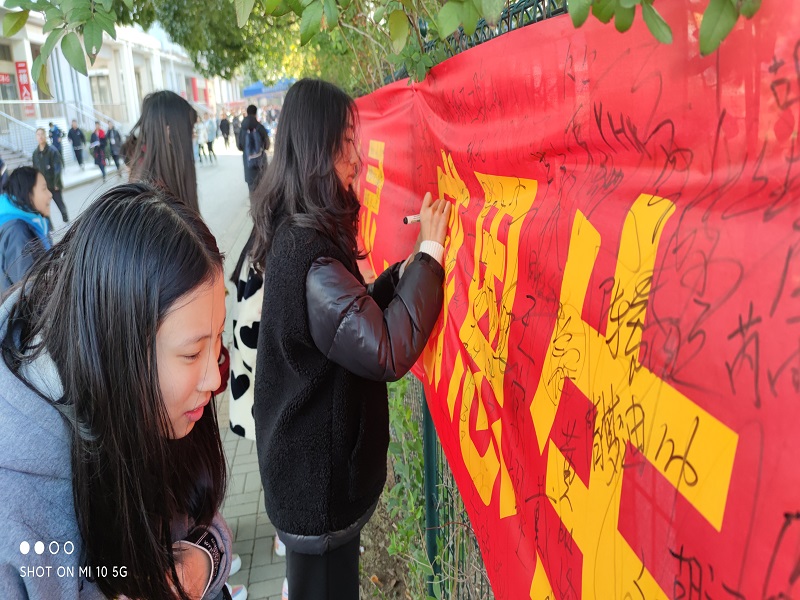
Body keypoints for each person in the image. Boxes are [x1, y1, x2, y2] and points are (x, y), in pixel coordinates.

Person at [250, 78, 450, 598]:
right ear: (316, 150)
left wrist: (405, 271)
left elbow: (350, 316)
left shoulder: (300, 234)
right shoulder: (311, 258)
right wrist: (431, 254)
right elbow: (388, 348)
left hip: (308, 476)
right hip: (315, 491)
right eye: (344, 144)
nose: (356, 160)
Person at [0, 182, 234, 599]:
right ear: (116, 349)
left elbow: (205, 517)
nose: (214, 379)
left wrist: (201, 562)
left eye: (217, 339)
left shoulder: (162, 404)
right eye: (192, 352)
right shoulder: (15, 512)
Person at [121, 90, 200, 213]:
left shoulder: (150, 175)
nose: (194, 135)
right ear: (168, 131)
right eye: (190, 129)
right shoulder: (155, 200)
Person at [0, 166, 52, 293]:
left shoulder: (33, 221)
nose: (50, 195)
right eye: (44, 189)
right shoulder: (16, 232)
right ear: (28, 194)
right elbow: (32, 292)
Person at [32, 127, 68, 223]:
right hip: (43, 187)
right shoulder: (35, 154)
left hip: (53, 185)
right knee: (44, 208)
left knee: (60, 205)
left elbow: (57, 168)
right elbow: (35, 170)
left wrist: (56, 183)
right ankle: (50, 228)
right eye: (38, 135)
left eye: (42, 134)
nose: (40, 136)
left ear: (46, 136)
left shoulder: (52, 151)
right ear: (36, 137)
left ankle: (67, 222)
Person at [237, 104, 269, 194]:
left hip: (249, 165)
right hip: (261, 165)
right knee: (264, 192)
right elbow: (267, 145)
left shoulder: (242, 129)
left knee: (252, 192)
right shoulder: (260, 127)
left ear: (247, 113)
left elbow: (239, 146)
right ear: (256, 113)